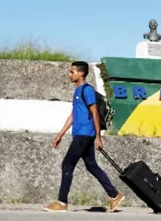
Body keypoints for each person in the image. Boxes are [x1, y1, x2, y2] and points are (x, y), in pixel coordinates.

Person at [43, 61, 125, 213]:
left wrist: (98, 137)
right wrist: (60, 134)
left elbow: (94, 113)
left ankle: (62, 202)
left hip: (85, 134)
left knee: (67, 165)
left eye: (72, 72)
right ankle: (114, 195)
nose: (70, 74)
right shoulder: (77, 91)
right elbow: (73, 115)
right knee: (91, 166)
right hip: (81, 134)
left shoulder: (87, 90)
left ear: (81, 73)